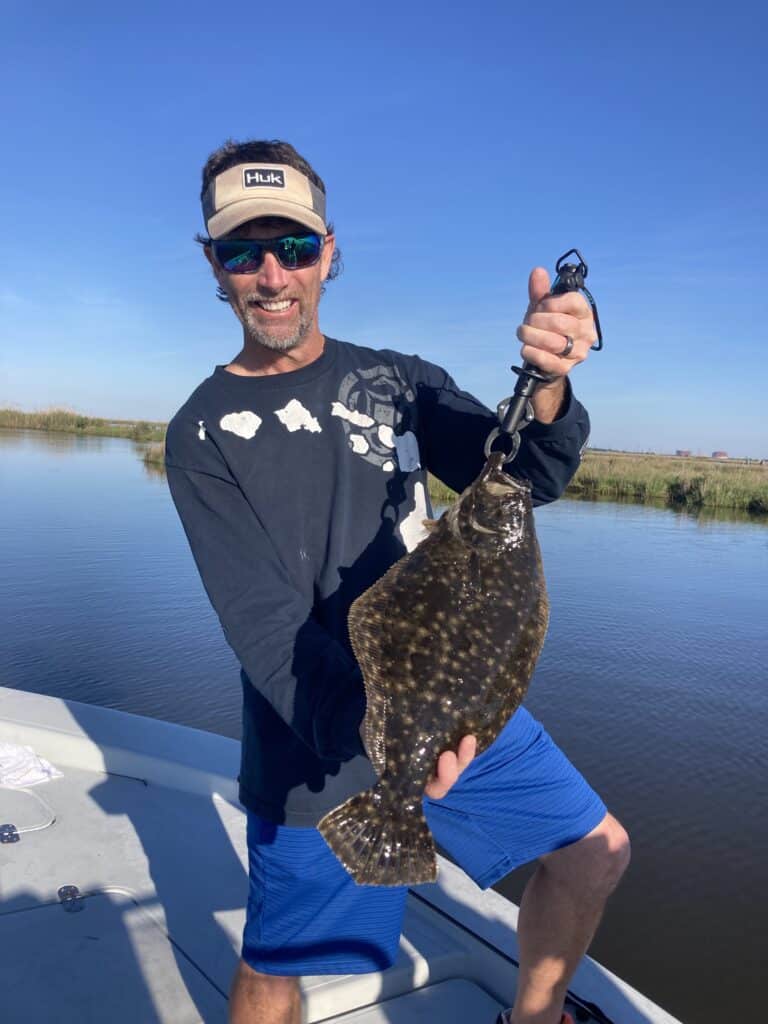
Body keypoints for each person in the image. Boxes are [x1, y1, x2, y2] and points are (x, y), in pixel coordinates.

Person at [165, 139, 630, 1024]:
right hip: (320, 735)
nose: (272, 275)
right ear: (213, 265)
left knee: (595, 849)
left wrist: (548, 388)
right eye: (243, 251)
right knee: (279, 961)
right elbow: (262, 627)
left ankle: (534, 1018)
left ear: (329, 253)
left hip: (457, 705)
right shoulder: (202, 433)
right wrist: (382, 741)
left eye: (294, 249)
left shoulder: (399, 381)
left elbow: (527, 478)